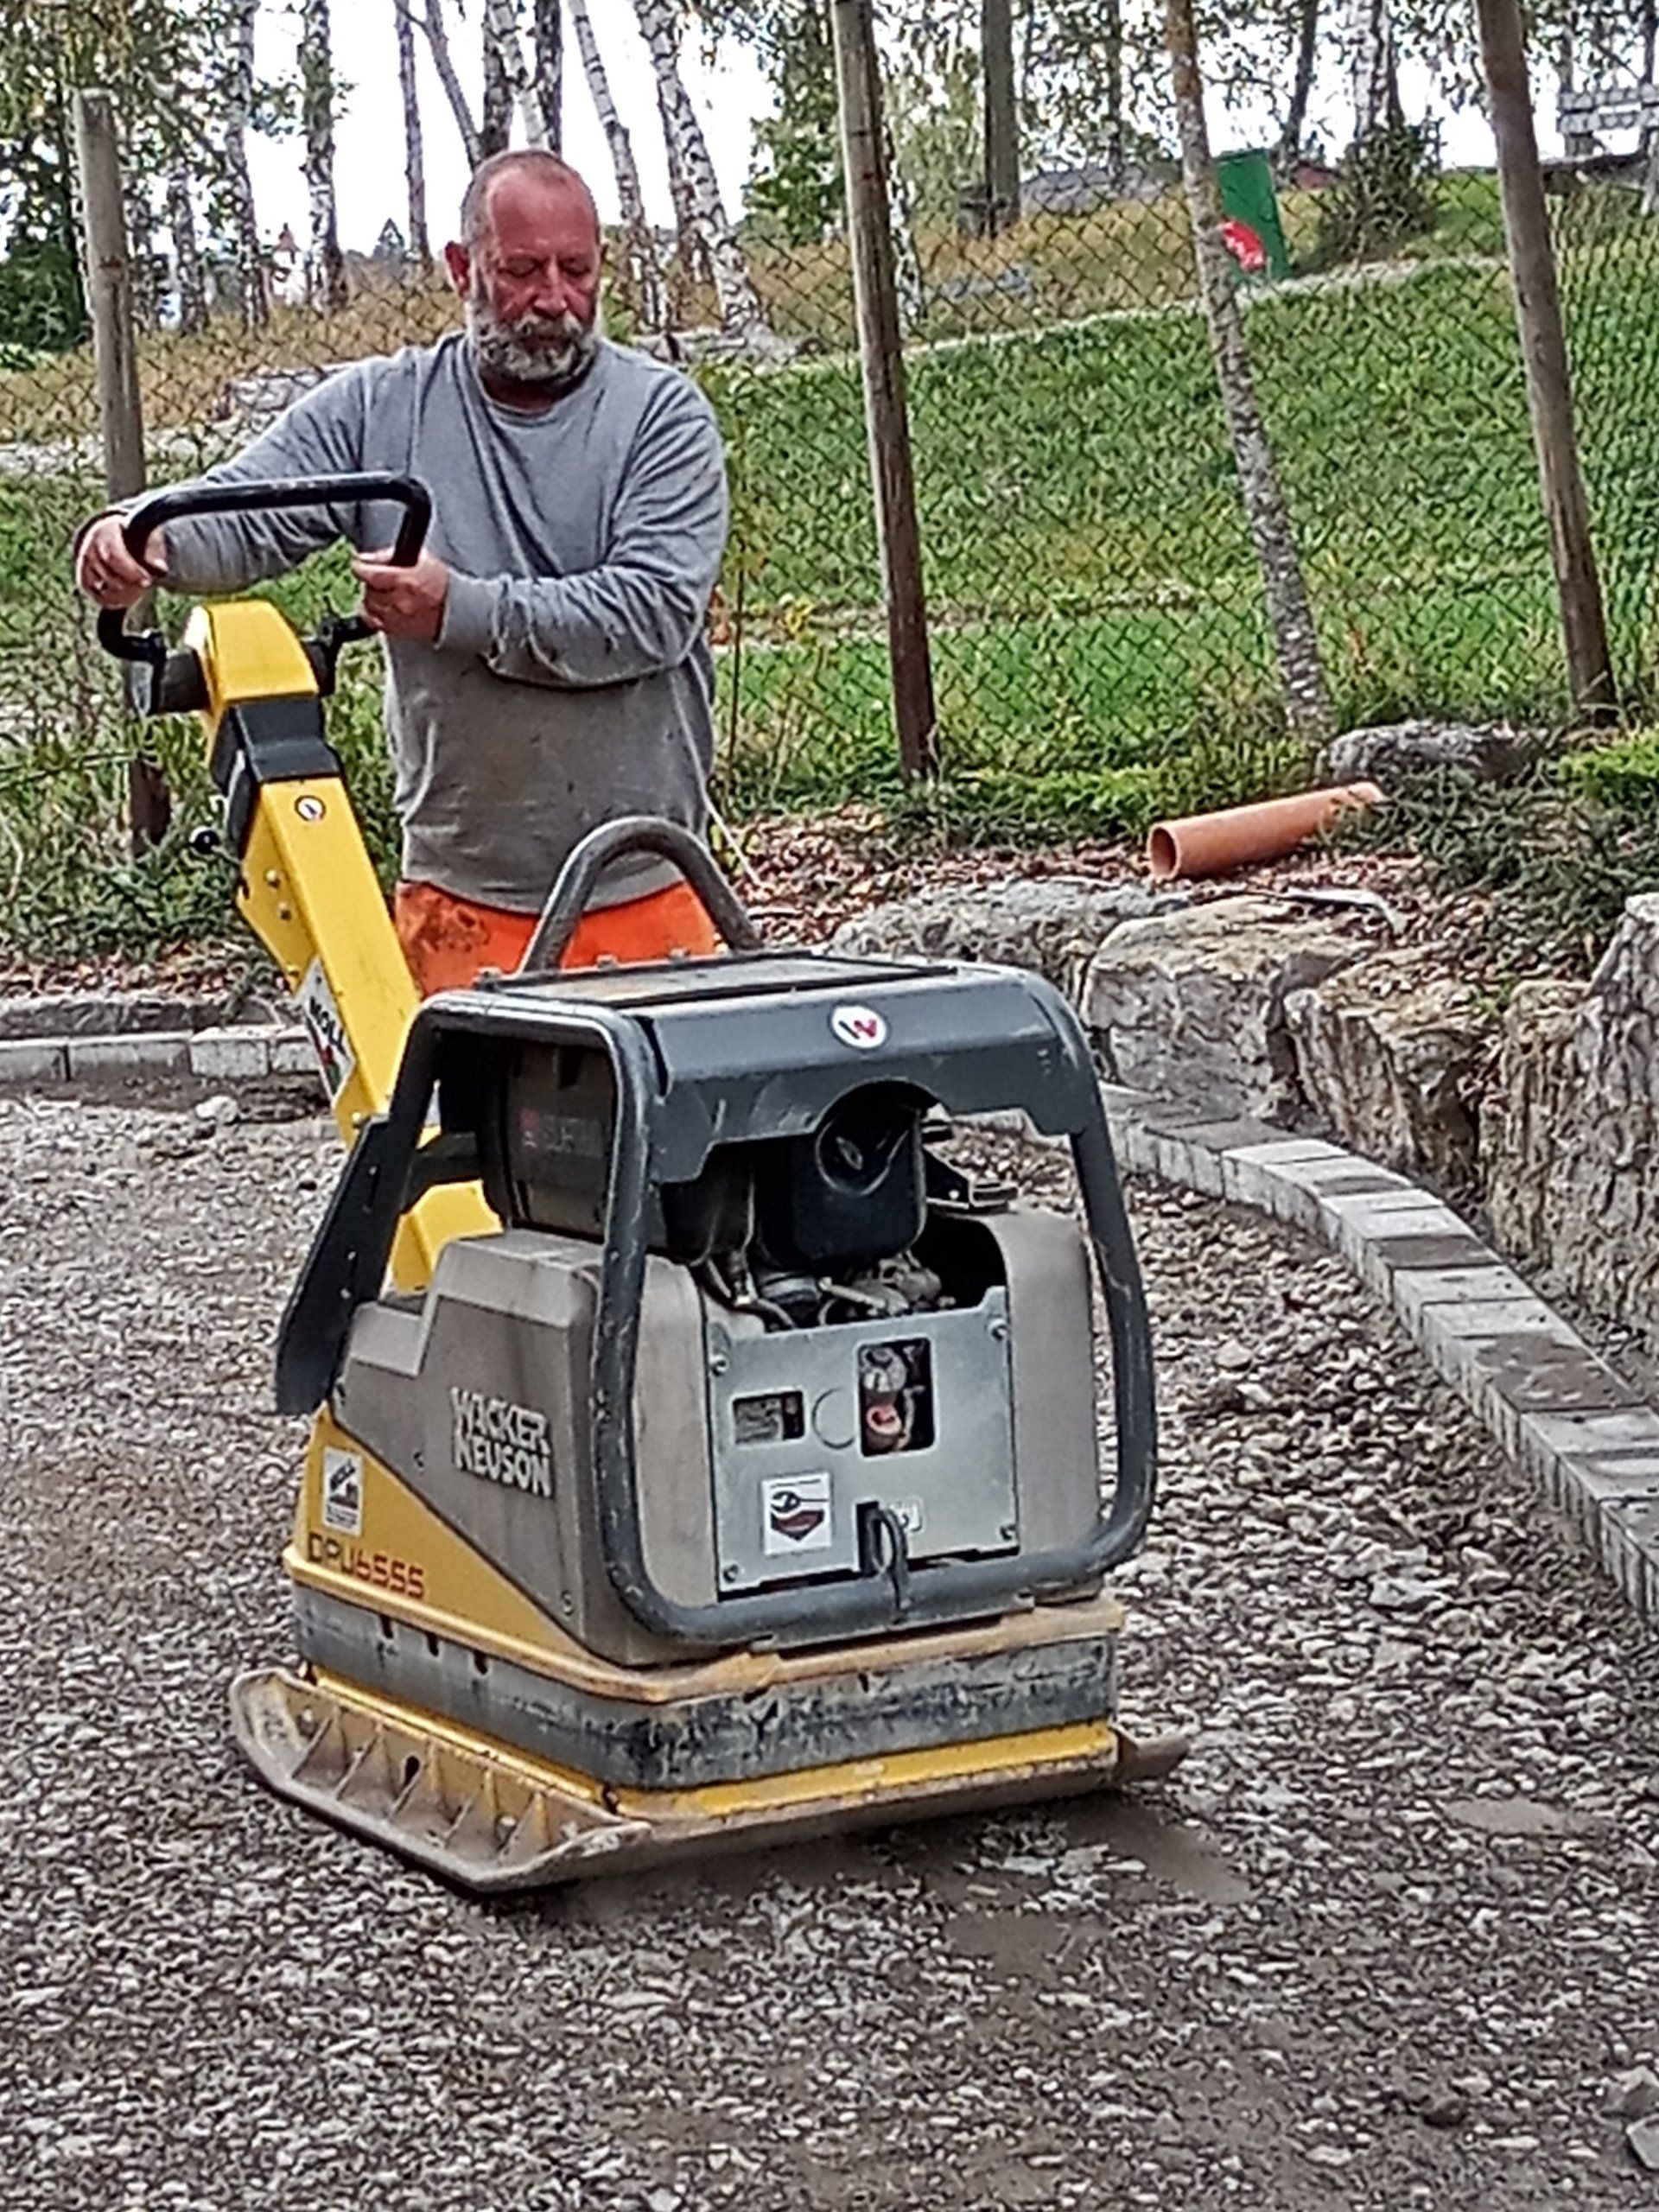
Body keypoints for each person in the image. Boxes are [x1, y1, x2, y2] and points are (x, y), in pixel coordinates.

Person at [74, 150, 729, 995]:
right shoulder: (385, 409)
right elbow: (246, 505)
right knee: (435, 1089)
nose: (554, 300)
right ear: (461, 267)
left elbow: (653, 613)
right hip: (461, 896)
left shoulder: (660, 417)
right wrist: (138, 537)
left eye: (577, 270)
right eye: (521, 271)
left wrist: (458, 609)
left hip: (645, 883)